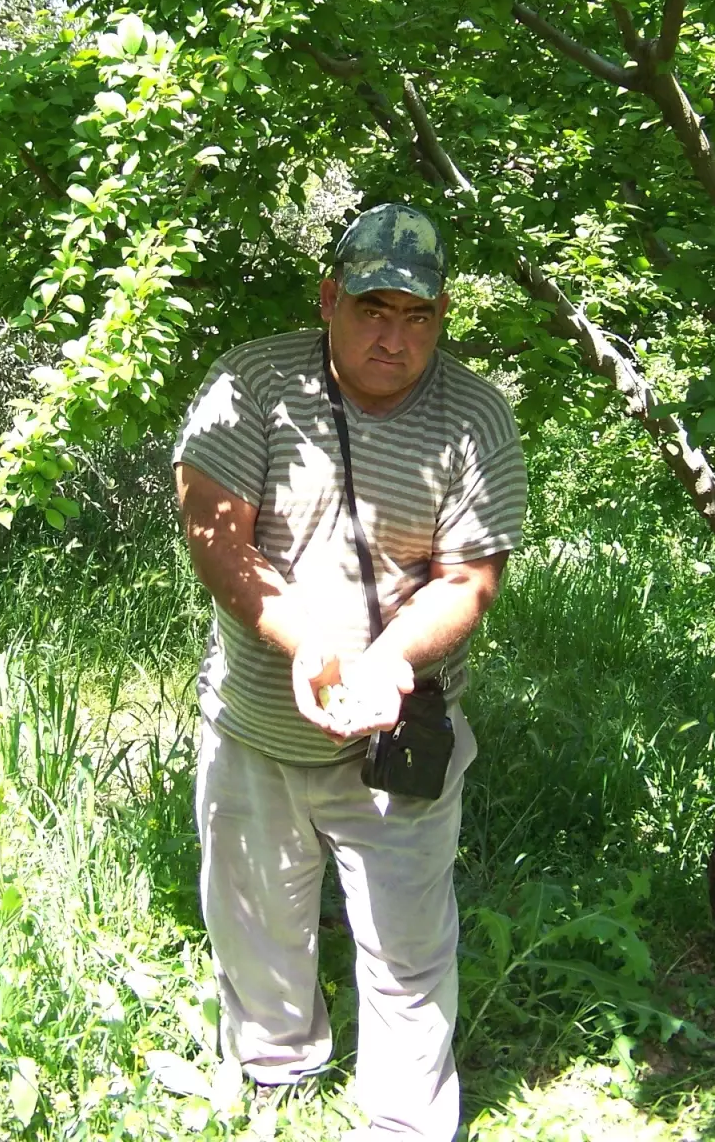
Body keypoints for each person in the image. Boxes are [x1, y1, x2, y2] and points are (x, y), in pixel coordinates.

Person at [172, 203, 527, 1142]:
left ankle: (406, 1122)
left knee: (409, 947)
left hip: (396, 733)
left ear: (442, 316)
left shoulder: (476, 414)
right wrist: (309, 644)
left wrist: (384, 660)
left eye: (418, 316)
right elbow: (213, 531)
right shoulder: (251, 384)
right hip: (254, 719)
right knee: (253, 920)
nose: (394, 335)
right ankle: (276, 1071)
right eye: (374, 307)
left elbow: (471, 577)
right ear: (330, 298)